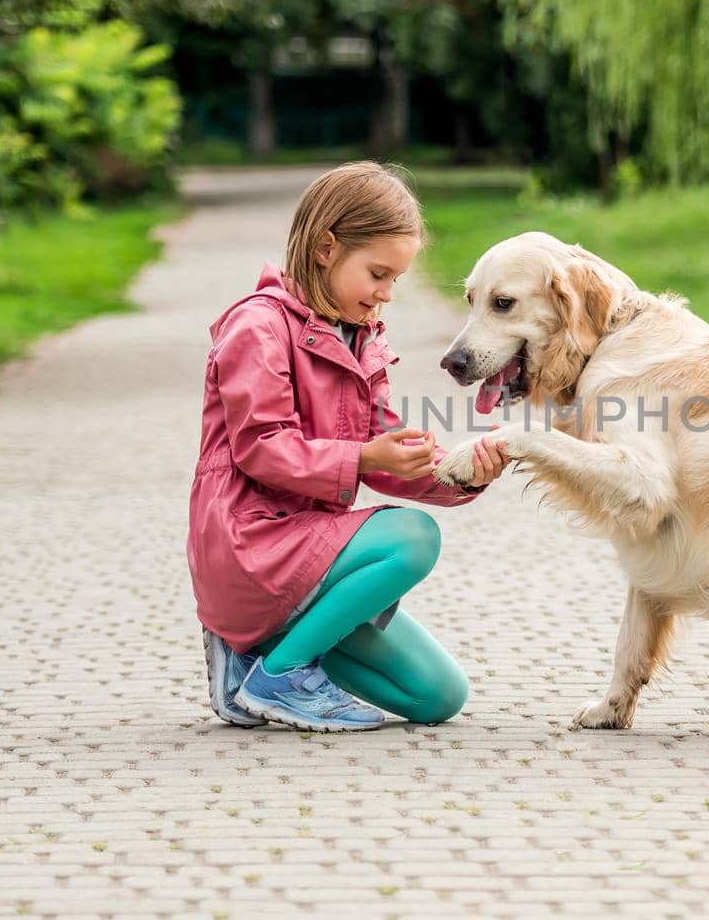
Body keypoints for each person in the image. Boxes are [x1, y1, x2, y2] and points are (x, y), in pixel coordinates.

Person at [187, 162, 511, 732]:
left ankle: (254, 662)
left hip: (311, 563)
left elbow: (390, 454)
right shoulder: (257, 327)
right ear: (326, 247)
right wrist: (362, 459)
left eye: (396, 281)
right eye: (378, 274)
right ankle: (279, 677)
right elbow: (262, 448)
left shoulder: (360, 338)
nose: (385, 295)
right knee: (412, 537)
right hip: (252, 548)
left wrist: (467, 471)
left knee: (438, 696)